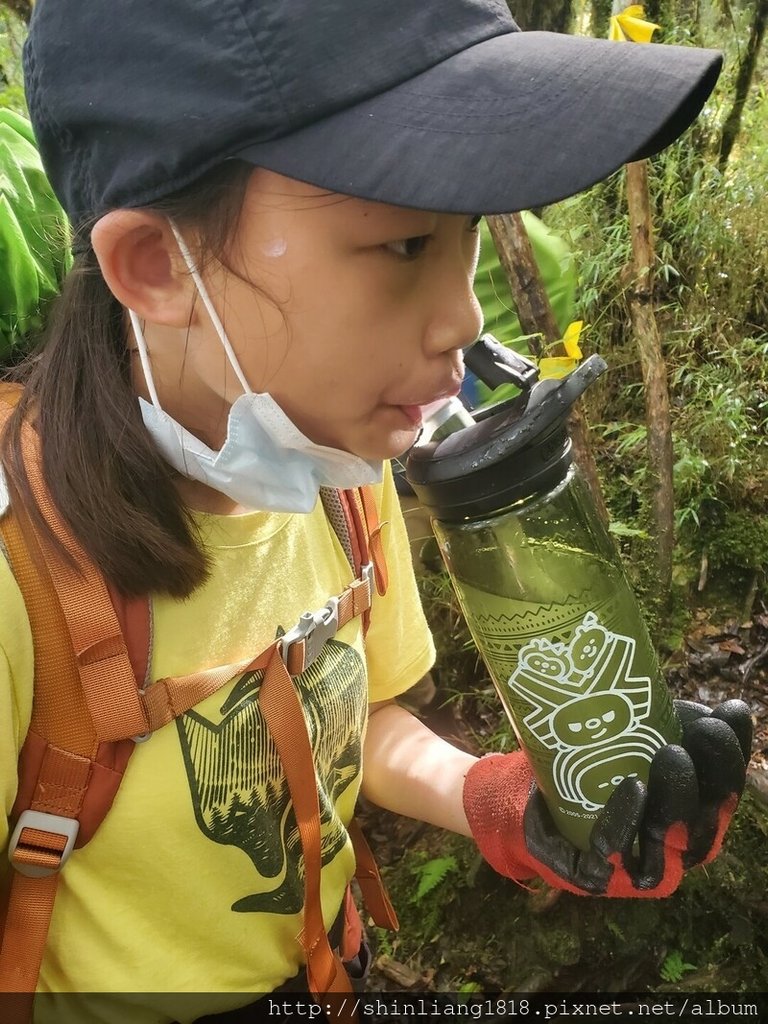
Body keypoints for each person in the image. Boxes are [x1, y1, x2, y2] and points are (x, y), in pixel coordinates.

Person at [0, 1, 753, 1022]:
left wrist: (511, 803)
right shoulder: (21, 569)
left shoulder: (338, 458)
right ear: (157, 264)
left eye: (467, 237)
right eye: (404, 245)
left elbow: (361, 714)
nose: (466, 317)